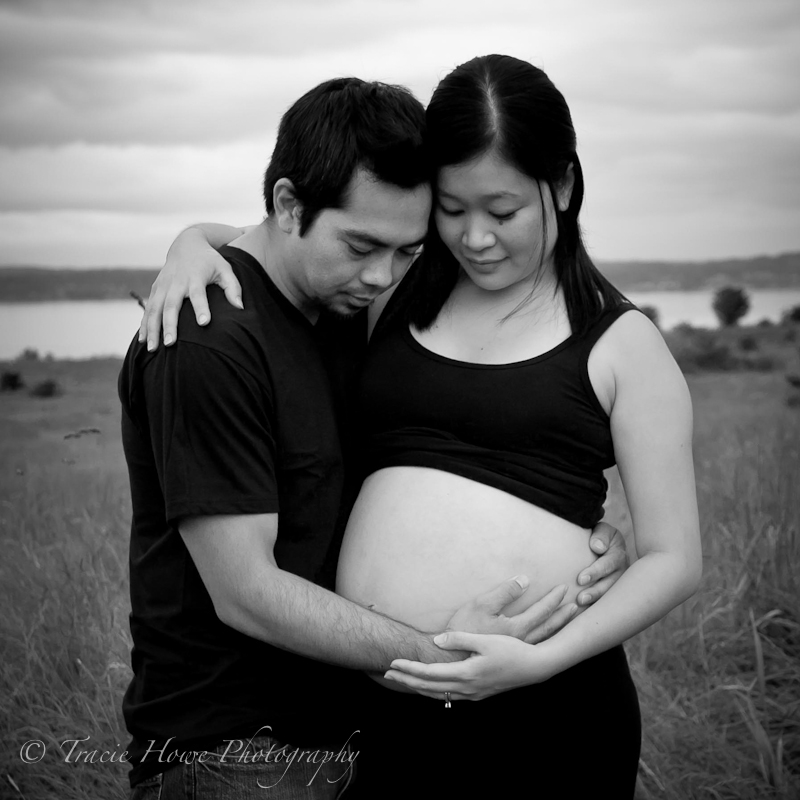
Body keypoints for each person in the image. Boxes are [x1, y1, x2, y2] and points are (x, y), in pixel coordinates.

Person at [121, 74, 627, 800]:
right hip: (234, 756)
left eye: (405, 252)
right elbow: (247, 593)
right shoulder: (208, 342)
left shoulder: (334, 306)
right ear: (289, 204)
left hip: (353, 735)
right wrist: (443, 658)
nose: (381, 275)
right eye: (362, 245)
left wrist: (587, 527)